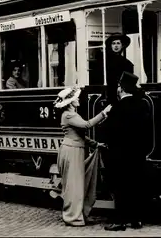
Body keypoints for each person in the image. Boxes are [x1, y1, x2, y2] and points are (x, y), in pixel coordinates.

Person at [54, 86, 112, 227]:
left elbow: (80, 136)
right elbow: (87, 125)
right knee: (74, 186)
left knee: (77, 184)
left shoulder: (71, 114)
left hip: (74, 149)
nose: (78, 100)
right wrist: (103, 113)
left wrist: (95, 144)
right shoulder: (69, 115)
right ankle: (72, 217)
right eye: (76, 99)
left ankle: (78, 215)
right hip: (72, 151)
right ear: (70, 102)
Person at [104, 72, 149, 231]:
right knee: (136, 186)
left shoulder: (117, 107)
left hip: (120, 155)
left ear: (121, 89)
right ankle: (136, 220)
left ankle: (120, 221)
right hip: (138, 154)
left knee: (120, 188)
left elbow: (109, 131)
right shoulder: (142, 104)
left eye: (118, 86)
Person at [105, 33, 134, 104]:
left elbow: (129, 79)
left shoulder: (128, 63)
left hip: (122, 91)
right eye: (113, 43)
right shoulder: (105, 61)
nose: (116, 46)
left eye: (118, 43)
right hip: (109, 91)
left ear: (122, 45)